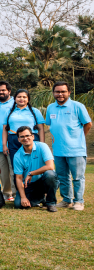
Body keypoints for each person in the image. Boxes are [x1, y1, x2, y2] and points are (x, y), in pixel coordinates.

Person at [46, 81, 92, 211]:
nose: (60, 94)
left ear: (69, 92)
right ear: (53, 93)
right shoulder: (51, 108)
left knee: (77, 177)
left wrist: (79, 138)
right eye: (57, 92)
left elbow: (88, 124)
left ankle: (79, 201)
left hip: (76, 149)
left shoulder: (77, 106)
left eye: (63, 91)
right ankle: (67, 200)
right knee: (62, 177)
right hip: (58, 149)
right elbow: (51, 124)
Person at [12, 126, 59, 212]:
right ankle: (41, 198)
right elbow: (18, 178)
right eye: (22, 136)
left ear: (33, 136)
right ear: (18, 139)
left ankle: (50, 203)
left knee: (50, 174)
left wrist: (31, 173)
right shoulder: (17, 156)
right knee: (19, 204)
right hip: (29, 185)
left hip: (44, 181)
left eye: (27, 135)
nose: (25, 138)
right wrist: (23, 197)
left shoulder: (42, 146)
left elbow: (50, 166)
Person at [2, 89, 45, 164]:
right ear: (15, 99)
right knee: (16, 164)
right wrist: (4, 145)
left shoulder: (35, 111)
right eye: (19, 97)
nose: (21, 99)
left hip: (32, 139)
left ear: (28, 99)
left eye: (24, 97)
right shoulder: (9, 112)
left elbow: (41, 129)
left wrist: (42, 145)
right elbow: (5, 130)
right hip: (13, 140)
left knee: (34, 164)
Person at [0, 81, 16, 201]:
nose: (0, 92)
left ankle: (17, 194)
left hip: (11, 142)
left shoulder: (15, 103)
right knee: (3, 170)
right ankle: (6, 193)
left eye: (3, 90)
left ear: (9, 91)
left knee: (13, 170)